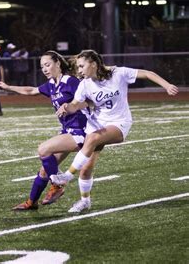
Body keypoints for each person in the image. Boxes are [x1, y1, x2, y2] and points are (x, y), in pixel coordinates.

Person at [51, 49, 179, 212]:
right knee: (85, 168)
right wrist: (67, 107)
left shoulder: (118, 73)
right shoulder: (84, 84)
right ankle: (85, 201)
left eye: (82, 66)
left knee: (92, 139)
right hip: (97, 124)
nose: (79, 70)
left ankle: (67, 176)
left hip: (119, 123)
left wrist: (167, 85)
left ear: (94, 64)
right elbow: (76, 104)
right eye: (78, 67)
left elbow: (147, 73)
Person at [0, 50, 100, 210]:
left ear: (57, 63)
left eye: (47, 65)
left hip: (82, 131)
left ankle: (58, 186)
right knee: (45, 170)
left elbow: (88, 100)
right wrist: (8, 87)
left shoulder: (70, 81)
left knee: (44, 149)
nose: (44, 69)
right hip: (68, 131)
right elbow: (31, 90)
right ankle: (31, 202)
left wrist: (71, 106)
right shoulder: (51, 85)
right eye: (42, 66)